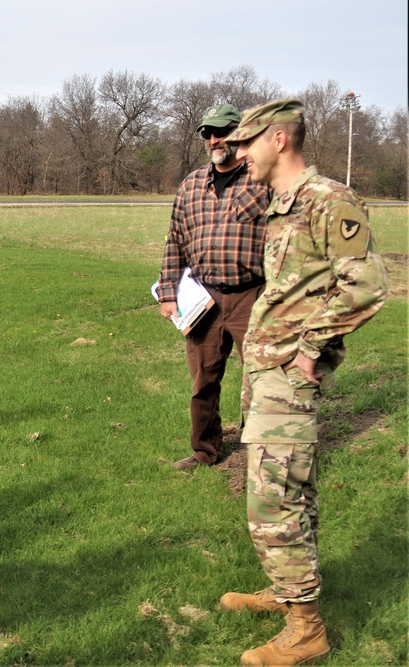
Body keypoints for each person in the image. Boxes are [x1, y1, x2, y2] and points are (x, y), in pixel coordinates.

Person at [219, 99, 388, 666]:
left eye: (247, 142)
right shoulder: (282, 205)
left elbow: (364, 286)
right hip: (267, 371)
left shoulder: (330, 201)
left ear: (279, 140)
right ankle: (289, 592)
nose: (238, 152)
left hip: (289, 376)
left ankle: (307, 628)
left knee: (274, 501)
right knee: (290, 493)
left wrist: (312, 349)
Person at [157, 104, 272, 470]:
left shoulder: (262, 180)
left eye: (221, 131)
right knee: (203, 380)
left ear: (240, 134)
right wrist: (167, 293)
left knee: (264, 376)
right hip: (203, 299)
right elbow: (174, 241)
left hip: (252, 294)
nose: (213, 139)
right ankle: (204, 451)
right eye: (207, 133)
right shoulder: (191, 184)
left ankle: (266, 455)